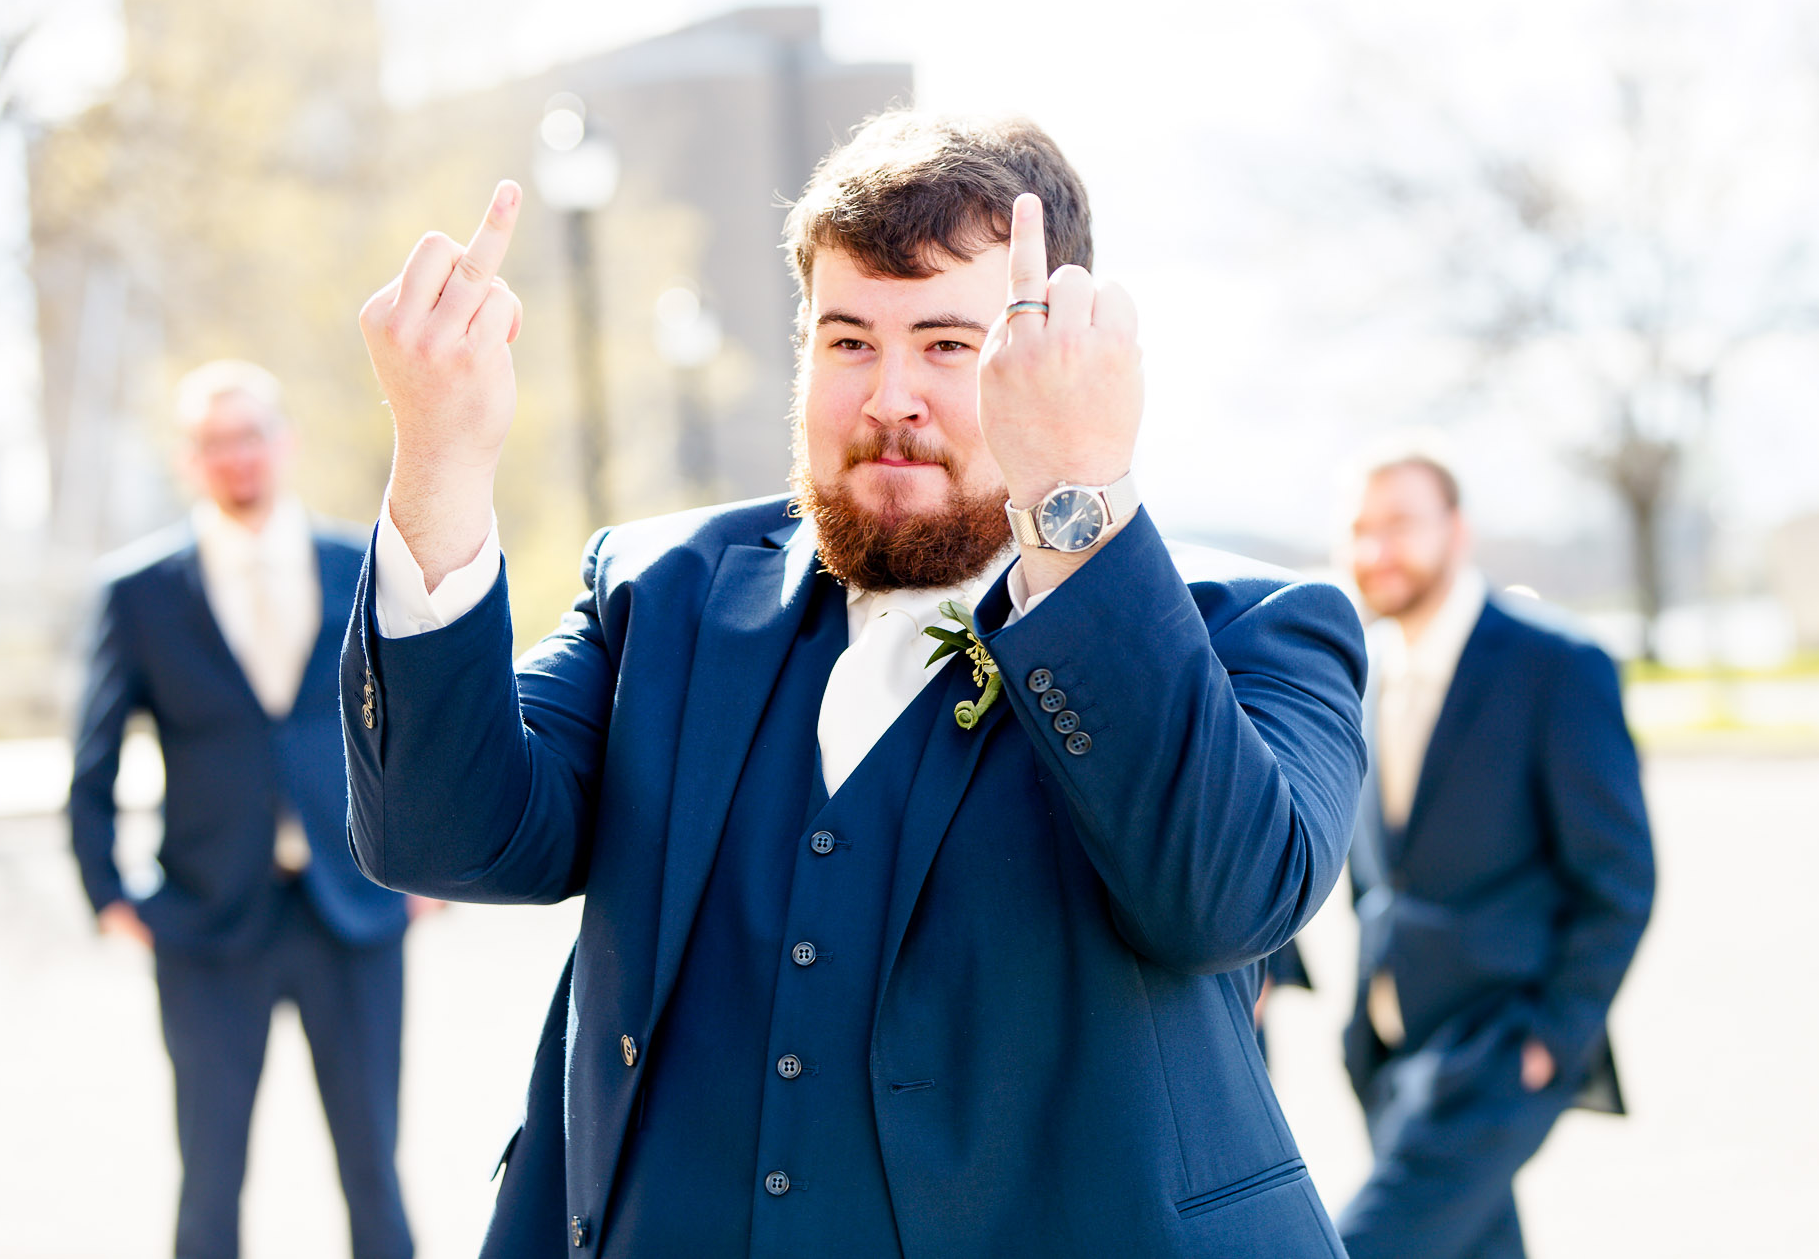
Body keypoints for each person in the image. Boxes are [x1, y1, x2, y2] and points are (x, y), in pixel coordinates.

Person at [345, 112, 1368, 1257]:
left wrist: (1072, 501)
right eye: (846, 342)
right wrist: (440, 457)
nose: (889, 398)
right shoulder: (657, 593)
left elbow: (1220, 903)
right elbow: (443, 837)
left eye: (946, 344)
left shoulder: (1253, 632)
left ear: (1053, 351)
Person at [68, 362, 417, 1259]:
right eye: (213, 443)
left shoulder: (361, 563)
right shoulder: (140, 592)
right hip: (207, 920)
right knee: (209, 1176)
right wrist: (108, 893)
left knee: (374, 1170)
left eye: (250, 435)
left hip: (354, 912)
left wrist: (428, 867)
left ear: (282, 442)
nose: (236, 457)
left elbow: (418, 722)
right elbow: (93, 755)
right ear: (189, 461)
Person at [1332, 450, 1655, 1259]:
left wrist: (1554, 1035)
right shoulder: (1360, 670)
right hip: (1386, 1047)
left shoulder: (1557, 665)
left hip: (1499, 1047)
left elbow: (1620, 875)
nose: (1376, 550)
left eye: (1400, 524)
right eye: (1361, 529)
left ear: (1458, 530)